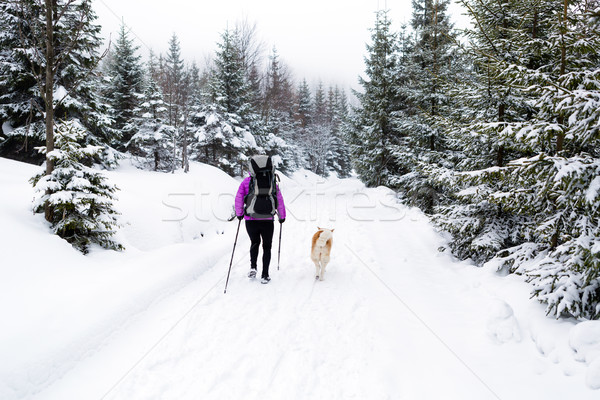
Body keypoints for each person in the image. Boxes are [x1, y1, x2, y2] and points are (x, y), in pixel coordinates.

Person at [235, 156, 286, 284]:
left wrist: (239, 213)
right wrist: (282, 216)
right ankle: (265, 274)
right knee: (267, 246)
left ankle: (253, 267)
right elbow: (279, 199)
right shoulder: (272, 182)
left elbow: (239, 198)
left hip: (251, 219)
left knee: (254, 242)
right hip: (268, 219)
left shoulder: (246, 182)